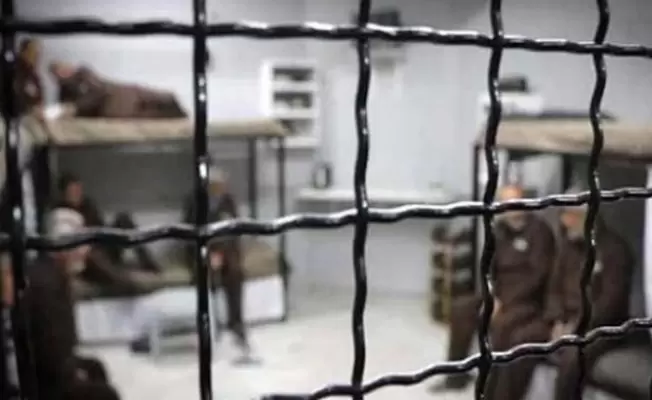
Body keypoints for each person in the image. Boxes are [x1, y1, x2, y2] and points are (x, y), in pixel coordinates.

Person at [429, 185, 556, 393]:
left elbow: (538, 277)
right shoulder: (498, 231)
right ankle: (455, 377)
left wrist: (504, 302)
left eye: (514, 202)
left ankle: (492, 390)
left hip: (526, 301)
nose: (509, 208)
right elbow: (488, 268)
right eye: (505, 203)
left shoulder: (540, 232)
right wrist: (492, 297)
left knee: (501, 324)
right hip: (498, 295)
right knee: (461, 308)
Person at [542, 199, 633, 400]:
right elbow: (553, 289)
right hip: (566, 320)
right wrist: (557, 320)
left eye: (570, 216)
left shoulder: (614, 250)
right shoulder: (567, 247)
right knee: (521, 336)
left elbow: (610, 304)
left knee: (573, 357)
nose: (565, 222)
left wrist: (576, 326)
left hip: (601, 327)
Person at [27, 207, 120, 400]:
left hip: (52, 368)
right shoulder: (46, 285)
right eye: (81, 243)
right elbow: (50, 354)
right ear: (63, 245)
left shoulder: (54, 274)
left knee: (95, 367)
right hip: (44, 381)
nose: (86, 250)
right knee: (105, 395)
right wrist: (74, 375)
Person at [182, 167, 251, 357]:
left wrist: (223, 252)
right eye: (217, 186)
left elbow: (235, 229)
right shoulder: (194, 202)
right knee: (206, 275)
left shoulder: (228, 201)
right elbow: (190, 233)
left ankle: (236, 324)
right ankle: (212, 325)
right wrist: (209, 253)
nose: (222, 189)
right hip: (201, 249)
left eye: (223, 186)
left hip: (225, 250)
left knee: (235, 273)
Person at [54, 173, 162, 294]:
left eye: (79, 190)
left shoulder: (87, 204)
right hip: (86, 258)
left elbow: (102, 228)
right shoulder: (59, 213)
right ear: (64, 193)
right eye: (73, 191)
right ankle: (125, 283)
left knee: (123, 218)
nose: (77, 194)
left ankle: (148, 264)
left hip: (102, 247)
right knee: (92, 253)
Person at [49, 61, 187, 119]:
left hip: (117, 95)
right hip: (113, 107)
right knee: (148, 112)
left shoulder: (83, 75)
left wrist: (74, 107)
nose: (60, 76)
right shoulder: (65, 89)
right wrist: (67, 109)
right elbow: (65, 107)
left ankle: (175, 108)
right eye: (57, 74)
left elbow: (98, 91)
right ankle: (175, 113)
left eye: (61, 71)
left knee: (157, 98)